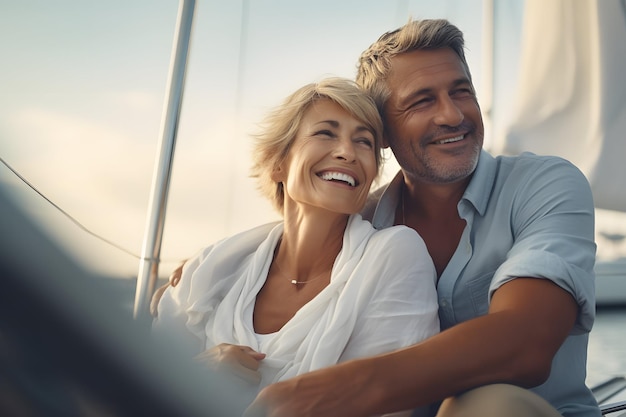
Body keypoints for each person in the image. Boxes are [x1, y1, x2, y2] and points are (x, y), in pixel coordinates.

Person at [241, 19, 599, 417]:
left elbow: (527, 342)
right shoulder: (363, 223)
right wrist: (210, 270)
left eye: (461, 92)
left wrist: (333, 391)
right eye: (422, 101)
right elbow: (292, 251)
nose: (452, 115)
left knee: (488, 405)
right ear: (383, 133)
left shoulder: (545, 184)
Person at [151, 77, 440, 415]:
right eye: (326, 133)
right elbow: (142, 386)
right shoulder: (211, 271)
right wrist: (199, 373)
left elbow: (389, 405)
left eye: (364, 142)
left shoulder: (394, 256)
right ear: (277, 162)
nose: (347, 152)